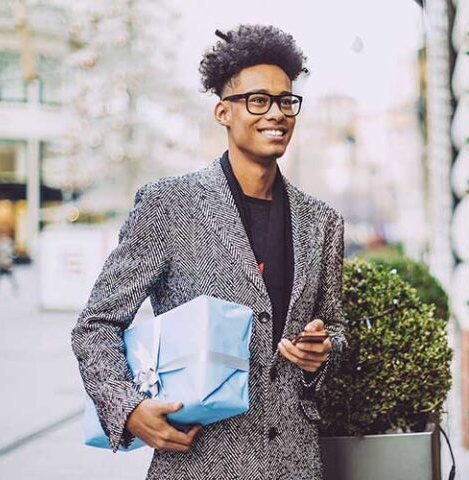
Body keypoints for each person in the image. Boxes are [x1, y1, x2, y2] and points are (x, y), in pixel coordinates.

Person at [70, 24, 347, 480]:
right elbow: (95, 325)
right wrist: (129, 408)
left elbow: (334, 325)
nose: (275, 113)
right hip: (199, 461)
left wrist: (324, 350)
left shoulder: (323, 221)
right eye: (257, 100)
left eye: (286, 100)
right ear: (223, 112)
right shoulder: (169, 205)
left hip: (296, 463)